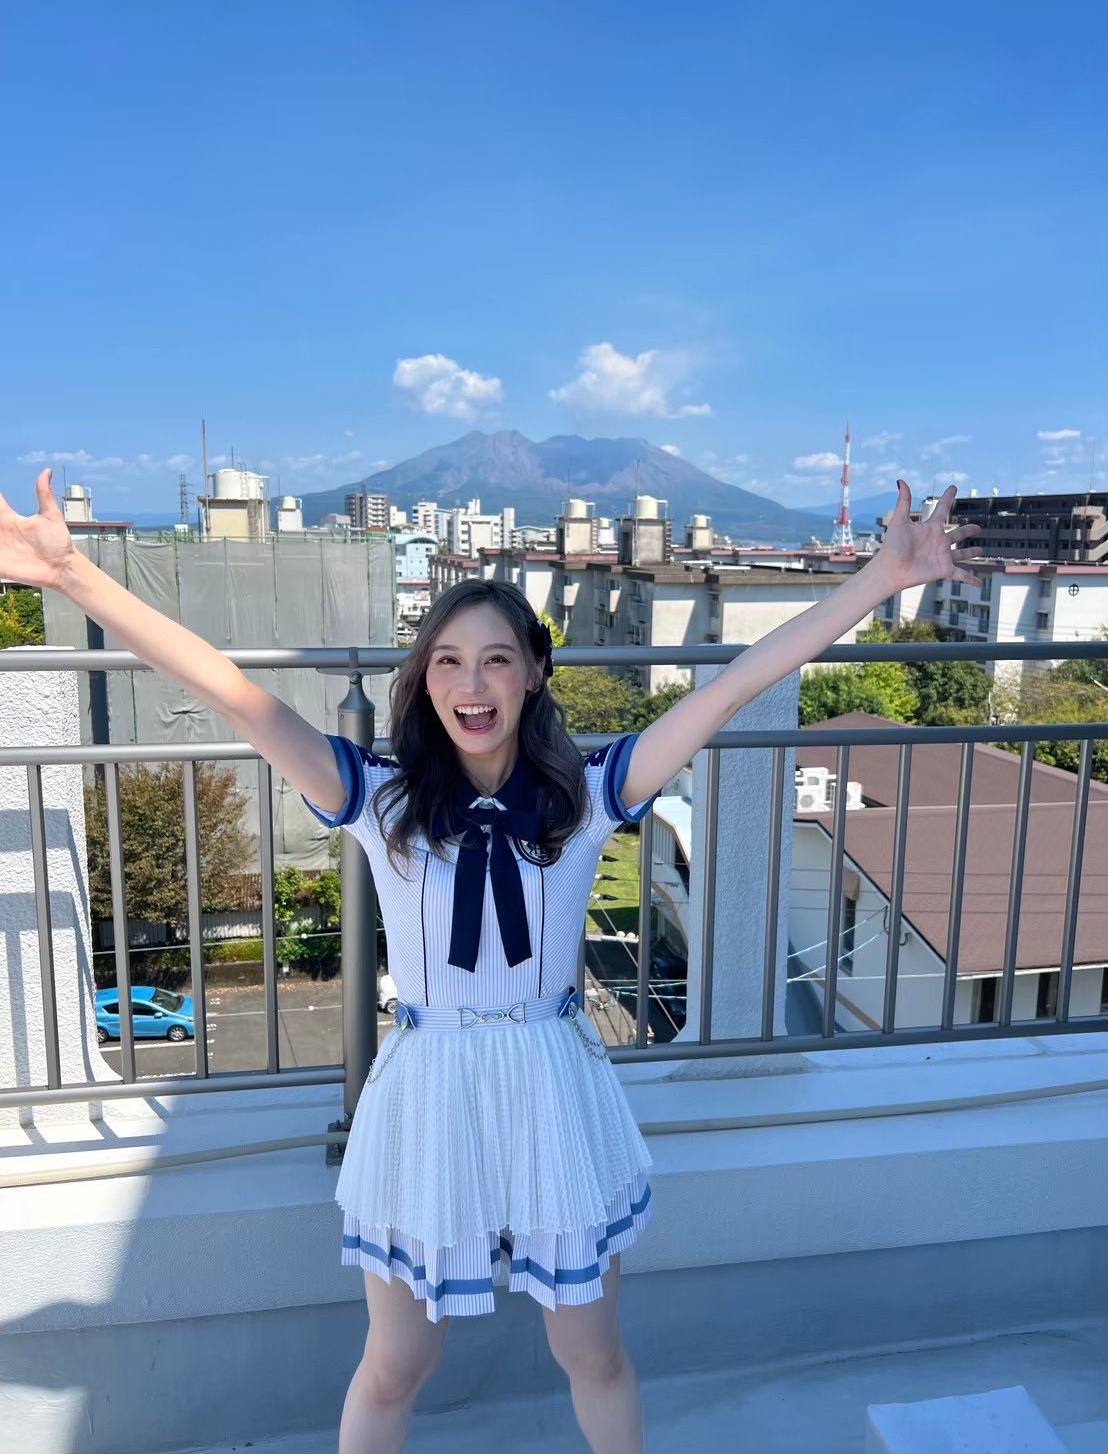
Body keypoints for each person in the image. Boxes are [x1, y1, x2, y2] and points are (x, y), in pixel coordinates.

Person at [0, 466, 982, 1454]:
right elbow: (236, 695)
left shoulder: (588, 795)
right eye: (449, 662)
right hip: (427, 1087)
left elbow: (732, 685)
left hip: (551, 1081)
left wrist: (878, 579)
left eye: (497, 660)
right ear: (424, 678)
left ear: (534, 673)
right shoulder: (378, 797)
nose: (472, 685)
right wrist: (75, 575)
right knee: (396, 1363)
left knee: (590, 1351)